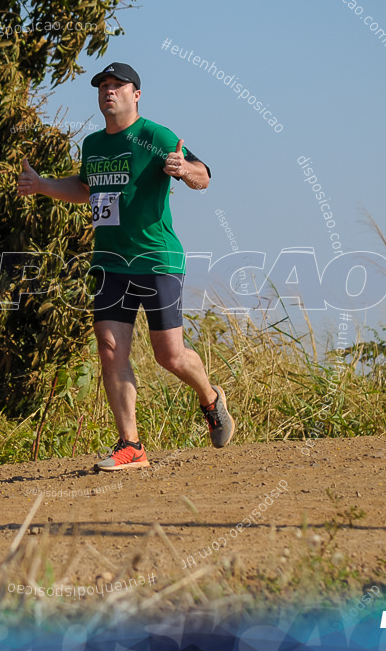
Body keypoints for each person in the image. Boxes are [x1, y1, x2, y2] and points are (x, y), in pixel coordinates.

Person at [17, 62, 235, 471]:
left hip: (156, 258)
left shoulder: (156, 136)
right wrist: (43, 184)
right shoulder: (94, 144)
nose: (108, 91)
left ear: (136, 95)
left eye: (118, 85)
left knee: (169, 356)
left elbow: (203, 175)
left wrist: (183, 170)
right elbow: (84, 189)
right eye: (103, 86)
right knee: (110, 348)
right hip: (110, 262)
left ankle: (210, 398)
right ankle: (131, 445)